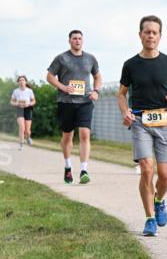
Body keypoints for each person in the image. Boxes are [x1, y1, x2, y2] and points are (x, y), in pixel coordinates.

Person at [117, 15, 167, 237]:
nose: (151, 36)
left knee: (165, 176)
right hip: (140, 121)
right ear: (140, 35)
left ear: (160, 36)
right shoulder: (130, 65)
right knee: (146, 168)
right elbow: (122, 94)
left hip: (165, 121)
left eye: (155, 32)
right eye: (147, 32)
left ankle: (159, 200)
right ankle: (150, 218)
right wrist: (125, 111)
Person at [46, 30, 101, 184]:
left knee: (84, 134)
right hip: (66, 102)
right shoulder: (61, 58)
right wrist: (63, 87)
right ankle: (68, 166)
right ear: (69, 41)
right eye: (74, 38)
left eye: (79, 38)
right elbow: (49, 76)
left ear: (83, 41)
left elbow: (97, 76)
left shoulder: (90, 58)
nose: (77, 41)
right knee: (67, 136)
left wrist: (96, 91)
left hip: (85, 102)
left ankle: (84, 170)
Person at [10, 75, 36, 148]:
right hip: (19, 109)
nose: (21, 82)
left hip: (28, 109)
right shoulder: (15, 91)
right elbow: (11, 101)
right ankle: (21, 144)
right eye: (20, 80)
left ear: (25, 82)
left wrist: (29, 103)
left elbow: (34, 101)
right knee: (22, 127)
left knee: (27, 130)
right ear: (18, 82)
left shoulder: (29, 91)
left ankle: (28, 138)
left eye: (23, 80)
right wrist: (17, 103)